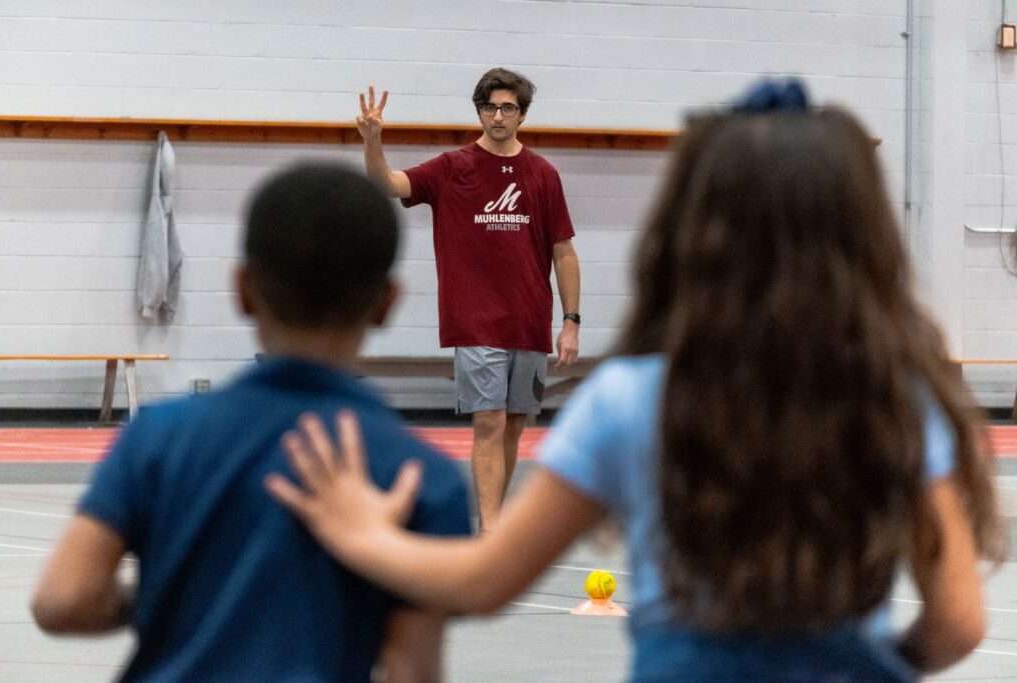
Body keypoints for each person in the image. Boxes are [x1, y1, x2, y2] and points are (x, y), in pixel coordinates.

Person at [267, 81, 1007, 681]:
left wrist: (359, 531)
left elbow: (482, 581)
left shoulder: (632, 400)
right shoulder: (896, 397)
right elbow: (956, 623)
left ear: (695, 228)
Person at [30, 164, 471, 681]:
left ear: (242, 288)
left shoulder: (158, 437)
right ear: (387, 303)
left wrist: (155, 595)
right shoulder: (422, 475)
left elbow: (63, 600)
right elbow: (413, 668)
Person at [355, 67, 581, 531]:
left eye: (507, 108)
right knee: (488, 422)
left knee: (516, 423)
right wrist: (373, 141)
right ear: (478, 111)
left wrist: (570, 320)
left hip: (529, 320)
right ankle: (494, 531)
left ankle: (494, 521)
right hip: (475, 321)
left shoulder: (542, 174)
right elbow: (388, 184)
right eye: (489, 107)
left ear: (521, 114)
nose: (498, 116)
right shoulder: (452, 167)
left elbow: (564, 252)